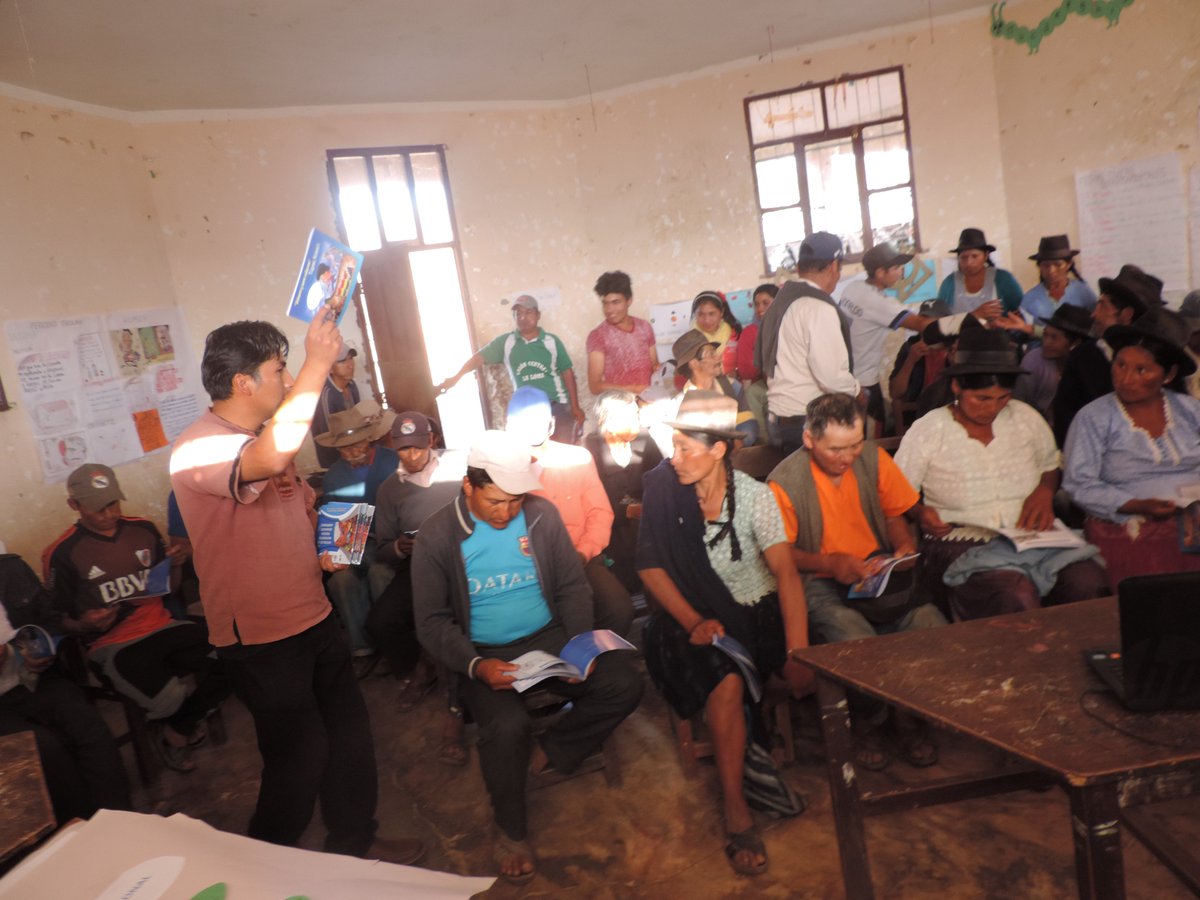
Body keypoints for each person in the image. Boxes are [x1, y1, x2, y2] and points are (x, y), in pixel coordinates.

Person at [170, 312, 423, 864]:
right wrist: (318, 363)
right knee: (299, 757)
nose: (287, 380)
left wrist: (324, 547)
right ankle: (267, 867)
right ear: (243, 383)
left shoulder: (263, 440)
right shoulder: (199, 447)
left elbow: (300, 510)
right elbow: (271, 459)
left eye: (290, 369)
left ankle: (354, 841)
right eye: (279, 370)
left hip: (314, 616)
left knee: (349, 738)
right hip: (262, 639)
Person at [412, 429, 643, 885]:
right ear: (468, 485)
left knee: (624, 684)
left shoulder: (541, 515)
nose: (506, 512)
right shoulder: (437, 536)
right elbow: (432, 622)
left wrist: (577, 647)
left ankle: (553, 748)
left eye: (515, 501)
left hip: (549, 638)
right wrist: (476, 666)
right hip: (485, 652)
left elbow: (572, 587)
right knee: (506, 726)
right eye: (495, 502)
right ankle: (511, 830)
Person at [636, 391, 811, 877]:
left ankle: (753, 746)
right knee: (727, 678)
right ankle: (737, 809)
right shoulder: (664, 490)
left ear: (718, 450)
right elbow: (650, 566)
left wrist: (799, 650)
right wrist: (693, 620)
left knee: (791, 667)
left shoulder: (754, 497)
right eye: (673, 446)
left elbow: (786, 574)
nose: (674, 458)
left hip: (754, 617)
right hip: (685, 619)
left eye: (684, 448)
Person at [767, 393, 946, 769]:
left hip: (876, 572)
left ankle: (907, 715)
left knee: (929, 624)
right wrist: (829, 563)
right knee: (854, 638)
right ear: (809, 439)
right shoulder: (784, 482)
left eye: (855, 445)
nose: (847, 457)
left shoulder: (874, 459)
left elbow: (894, 513)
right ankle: (869, 720)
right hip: (820, 579)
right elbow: (780, 557)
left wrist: (901, 546)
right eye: (835, 449)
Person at [894, 328, 1109, 621]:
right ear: (956, 386)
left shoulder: (1025, 417)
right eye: (982, 398)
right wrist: (920, 513)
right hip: (960, 542)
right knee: (1013, 592)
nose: (992, 408)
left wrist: (1044, 492)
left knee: (1087, 580)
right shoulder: (929, 429)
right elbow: (897, 492)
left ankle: (1077, 650)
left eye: (1002, 398)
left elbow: (1050, 465)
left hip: (1031, 536)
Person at [42, 464, 230, 774]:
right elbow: (55, 620)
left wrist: (175, 564)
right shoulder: (62, 553)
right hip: (113, 644)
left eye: (113, 503)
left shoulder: (142, 529)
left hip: (162, 625)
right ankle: (178, 724)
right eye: (98, 508)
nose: (109, 514)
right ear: (74, 505)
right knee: (168, 697)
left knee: (237, 653)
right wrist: (85, 625)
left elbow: (168, 589)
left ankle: (177, 729)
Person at [1063, 309, 1200, 587]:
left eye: (1142, 370)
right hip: (1127, 524)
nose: (1125, 379)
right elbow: (1079, 484)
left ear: (1169, 374)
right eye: (1120, 365)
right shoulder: (1094, 417)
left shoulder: (1191, 411)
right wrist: (1135, 504)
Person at [369, 411, 470, 769]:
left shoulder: (460, 466)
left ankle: (451, 706)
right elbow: (382, 546)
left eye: (417, 447)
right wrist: (399, 547)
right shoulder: (390, 489)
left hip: (464, 563)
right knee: (381, 622)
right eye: (403, 449)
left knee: (448, 623)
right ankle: (421, 665)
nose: (411, 456)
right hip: (417, 566)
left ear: (431, 440)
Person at [1, 557, 132, 822]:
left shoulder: (9, 569)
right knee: (45, 748)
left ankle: (120, 822)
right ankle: (79, 830)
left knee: (87, 724)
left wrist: (76, 627)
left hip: (33, 681)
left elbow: (48, 620)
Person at [506, 387, 634, 637]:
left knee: (619, 608)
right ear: (509, 428)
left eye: (538, 424)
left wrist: (583, 554)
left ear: (551, 425)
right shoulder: (502, 470)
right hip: (528, 569)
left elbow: (600, 513)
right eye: (524, 426)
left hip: (581, 559)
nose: (531, 431)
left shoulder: (577, 458)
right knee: (546, 623)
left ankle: (597, 655)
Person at [756, 231, 861, 453]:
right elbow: (831, 378)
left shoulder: (779, 304)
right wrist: (857, 392)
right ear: (834, 266)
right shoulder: (817, 308)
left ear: (800, 267)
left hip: (779, 419)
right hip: (806, 423)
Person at [436, 295, 585, 443]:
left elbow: (567, 372)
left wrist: (575, 407)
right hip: (526, 410)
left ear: (538, 315)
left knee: (562, 452)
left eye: (528, 312)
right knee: (532, 454)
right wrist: (456, 378)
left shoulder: (552, 341)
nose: (523, 317)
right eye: (518, 313)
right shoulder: (506, 342)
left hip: (557, 406)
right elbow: (478, 358)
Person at [314, 403, 400, 658]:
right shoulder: (333, 476)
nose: (352, 451)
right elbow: (332, 524)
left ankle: (391, 645)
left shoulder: (393, 462)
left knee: (379, 574)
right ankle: (362, 647)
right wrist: (332, 553)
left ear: (368, 439)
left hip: (388, 542)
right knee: (342, 580)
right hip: (352, 545)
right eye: (344, 447)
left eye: (357, 444)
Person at [1052, 264, 1164, 446]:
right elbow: (1064, 420)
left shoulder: (1161, 359)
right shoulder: (1083, 356)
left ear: (1126, 314)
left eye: (1102, 305)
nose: (1094, 314)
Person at [838, 242, 937, 430]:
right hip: (864, 383)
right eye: (896, 268)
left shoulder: (853, 288)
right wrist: (970, 317)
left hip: (845, 377)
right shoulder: (879, 302)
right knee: (869, 437)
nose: (901, 272)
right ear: (880, 272)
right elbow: (921, 325)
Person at [583, 390, 663, 595]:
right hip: (610, 533)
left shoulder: (644, 440)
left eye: (637, 415)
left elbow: (661, 480)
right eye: (631, 417)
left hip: (646, 526)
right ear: (608, 423)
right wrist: (628, 511)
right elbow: (589, 505)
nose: (638, 422)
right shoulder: (590, 451)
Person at [671, 329, 758, 445]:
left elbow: (748, 423)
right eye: (711, 354)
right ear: (694, 363)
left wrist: (739, 444)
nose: (718, 358)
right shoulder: (681, 404)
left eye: (715, 352)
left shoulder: (732, 387)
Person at [586, 270, 659, 395]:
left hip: (649, 399)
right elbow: (595, 386)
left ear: (629, 301)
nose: (609, 310)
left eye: (616, 302)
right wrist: (633, 389)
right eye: (605, 303)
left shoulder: (644, 327)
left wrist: (662, 369)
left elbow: (654, 365)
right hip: (619, 403)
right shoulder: (597, 336)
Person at [1018, 305, 1094, 423]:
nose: (1046, 343)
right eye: (1045, 335)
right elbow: (1019, 402)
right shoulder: (1033, 361)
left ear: (1075, 343)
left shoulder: (1087, 369)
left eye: (1054, 338)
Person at [936, 228, 1023, 315]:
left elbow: (1021, 312)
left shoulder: (1003, 279)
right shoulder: (949, 283)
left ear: (986, 256)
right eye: (963, 257)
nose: (969, 262)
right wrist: (975, 315)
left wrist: (1005, 321)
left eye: (975, 256)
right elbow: (939, 318)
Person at [1015, 234, 1097, 325]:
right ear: (1039, 267)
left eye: (1058, 264)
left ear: (1068, 264)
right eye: (1046, 265)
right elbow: (1021, 329)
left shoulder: (1083, 292)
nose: (1051, 270)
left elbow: (1096, 324)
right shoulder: (1030, 298)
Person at [736, 284, 777, 439]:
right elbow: (745, 370)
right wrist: (763, 366)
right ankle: (764, 445)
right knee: (752, 394)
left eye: (766, 303)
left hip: (790, 382)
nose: (760, 308)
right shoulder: (751, 332)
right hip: (763, 384)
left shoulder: (789, 325)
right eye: (757, 304)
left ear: (778, 302)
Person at [311, 343, 361, 468]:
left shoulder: (351, 385)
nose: (350, 365)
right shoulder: (326, 395)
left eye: (351, 358)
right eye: (342, 361)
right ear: (330, 368)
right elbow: (328, 437)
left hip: (354, 451)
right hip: (335, 459)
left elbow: (357, 420)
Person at [690, 290, 742, 377]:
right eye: (701, 314)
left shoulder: (735, 334)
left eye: (711, 314)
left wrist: (737, 373)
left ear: (721, 312)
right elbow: (680, 379)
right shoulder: (689, 341)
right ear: (695, 314)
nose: (707, 320)